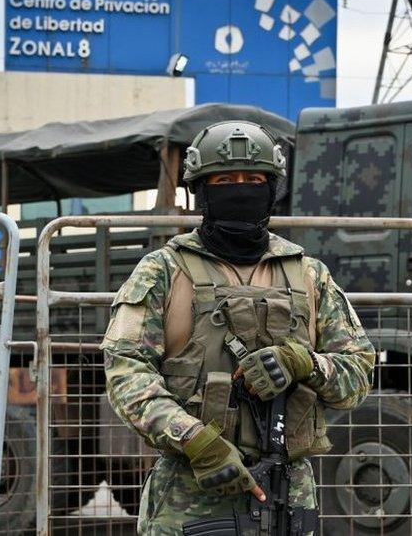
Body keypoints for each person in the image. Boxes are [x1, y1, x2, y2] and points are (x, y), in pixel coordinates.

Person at [101, 121, 377, 535]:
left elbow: (358, 374)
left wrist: (306, 364)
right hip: (190, 492)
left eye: (253, 180)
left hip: (287, 492)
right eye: (225, 180)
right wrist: (194, 440)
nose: (240, 189)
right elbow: (126, 372)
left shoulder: (308, 275)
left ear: (271, 188)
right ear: (202, 190)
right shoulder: (164, 270)